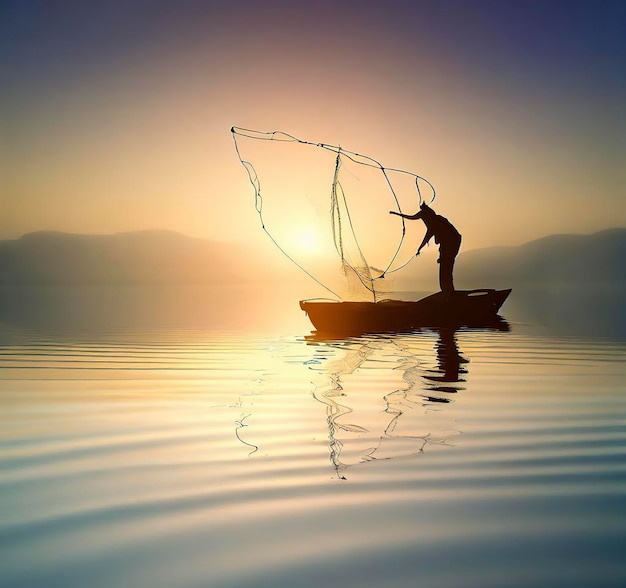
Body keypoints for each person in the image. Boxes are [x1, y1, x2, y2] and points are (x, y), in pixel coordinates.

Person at [390, 202, 462, 293]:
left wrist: (419, 248)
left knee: (446, 263)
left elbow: (426, 236)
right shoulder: (435, 220)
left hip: (452, 242)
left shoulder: (436, 222)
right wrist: (397, 214)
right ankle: (447, 290)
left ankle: (448, 291)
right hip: (449, 242)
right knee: (445, 263)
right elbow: (412, 217)